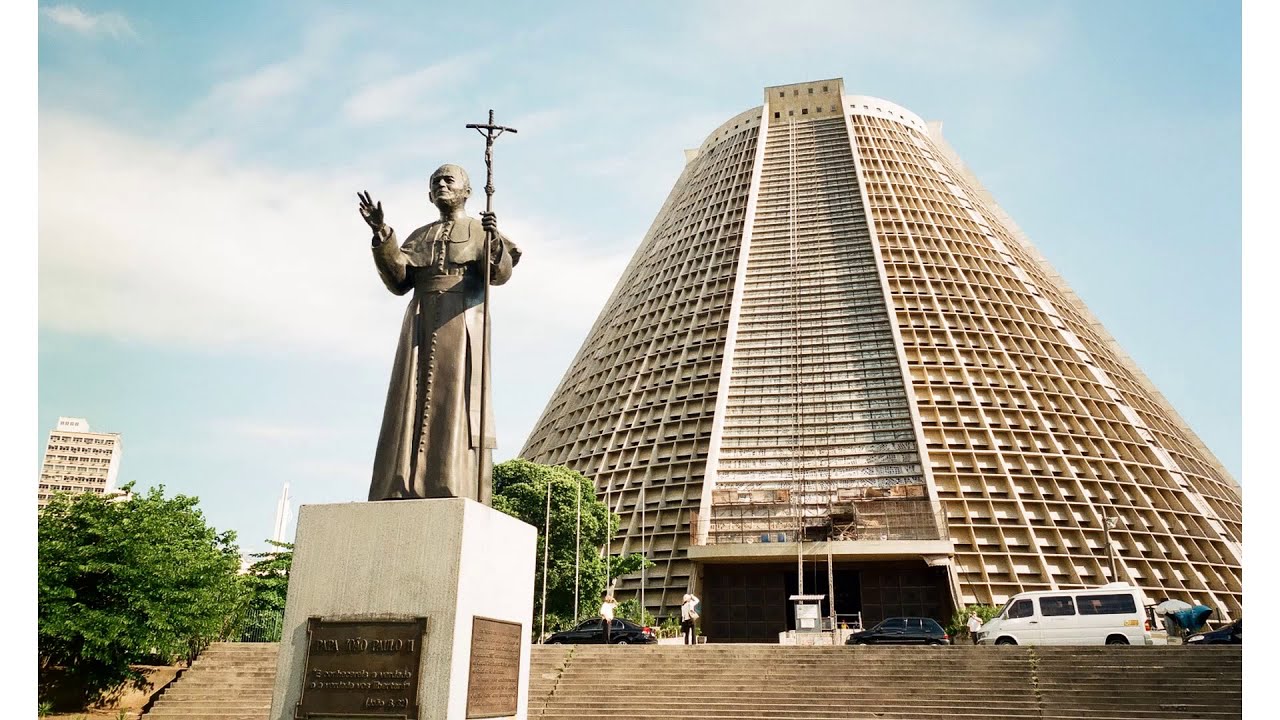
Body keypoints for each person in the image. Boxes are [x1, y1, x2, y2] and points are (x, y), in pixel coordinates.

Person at [358, 165, 521, 504]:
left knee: (457, 403)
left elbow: (499, 275)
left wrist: (494, 243)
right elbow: (399, 280)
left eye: (450, 180)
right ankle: (400, 483)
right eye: (436, 182)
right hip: (420, 321)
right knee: (409, 401)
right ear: (429, 194)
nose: (442, 185)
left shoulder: (480, 230)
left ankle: (450, 482)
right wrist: (382, 233)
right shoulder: (419, 235)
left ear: (467, 191)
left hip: (461, 321)